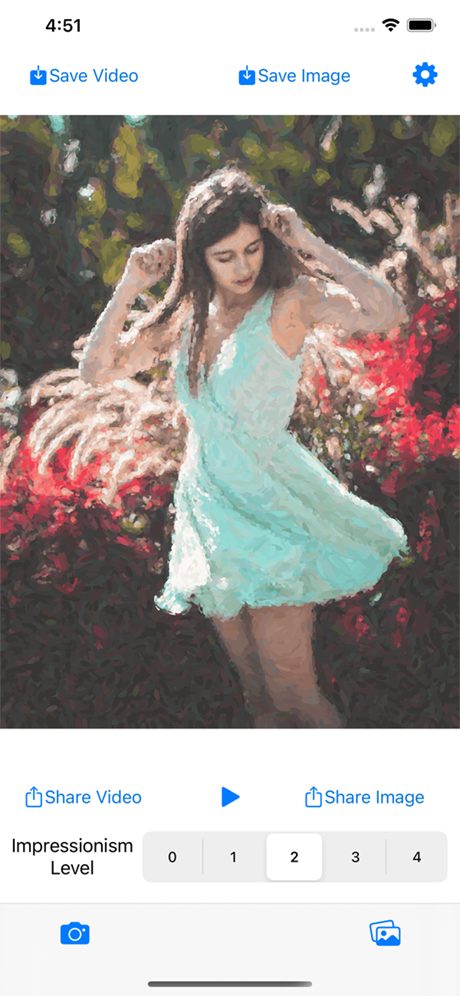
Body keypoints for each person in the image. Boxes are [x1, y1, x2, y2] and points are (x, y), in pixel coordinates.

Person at [79, 165, 410, 729]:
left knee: (294, 695)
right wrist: (129, 286)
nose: (242, 266)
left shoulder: (289, 301)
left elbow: (389, 313)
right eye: (225, 256)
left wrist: (308, 242)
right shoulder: (187, 318)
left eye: (252, 249)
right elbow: (96, 371)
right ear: (199, 258)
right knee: (259, 701)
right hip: (211, 513)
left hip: (271, 505)